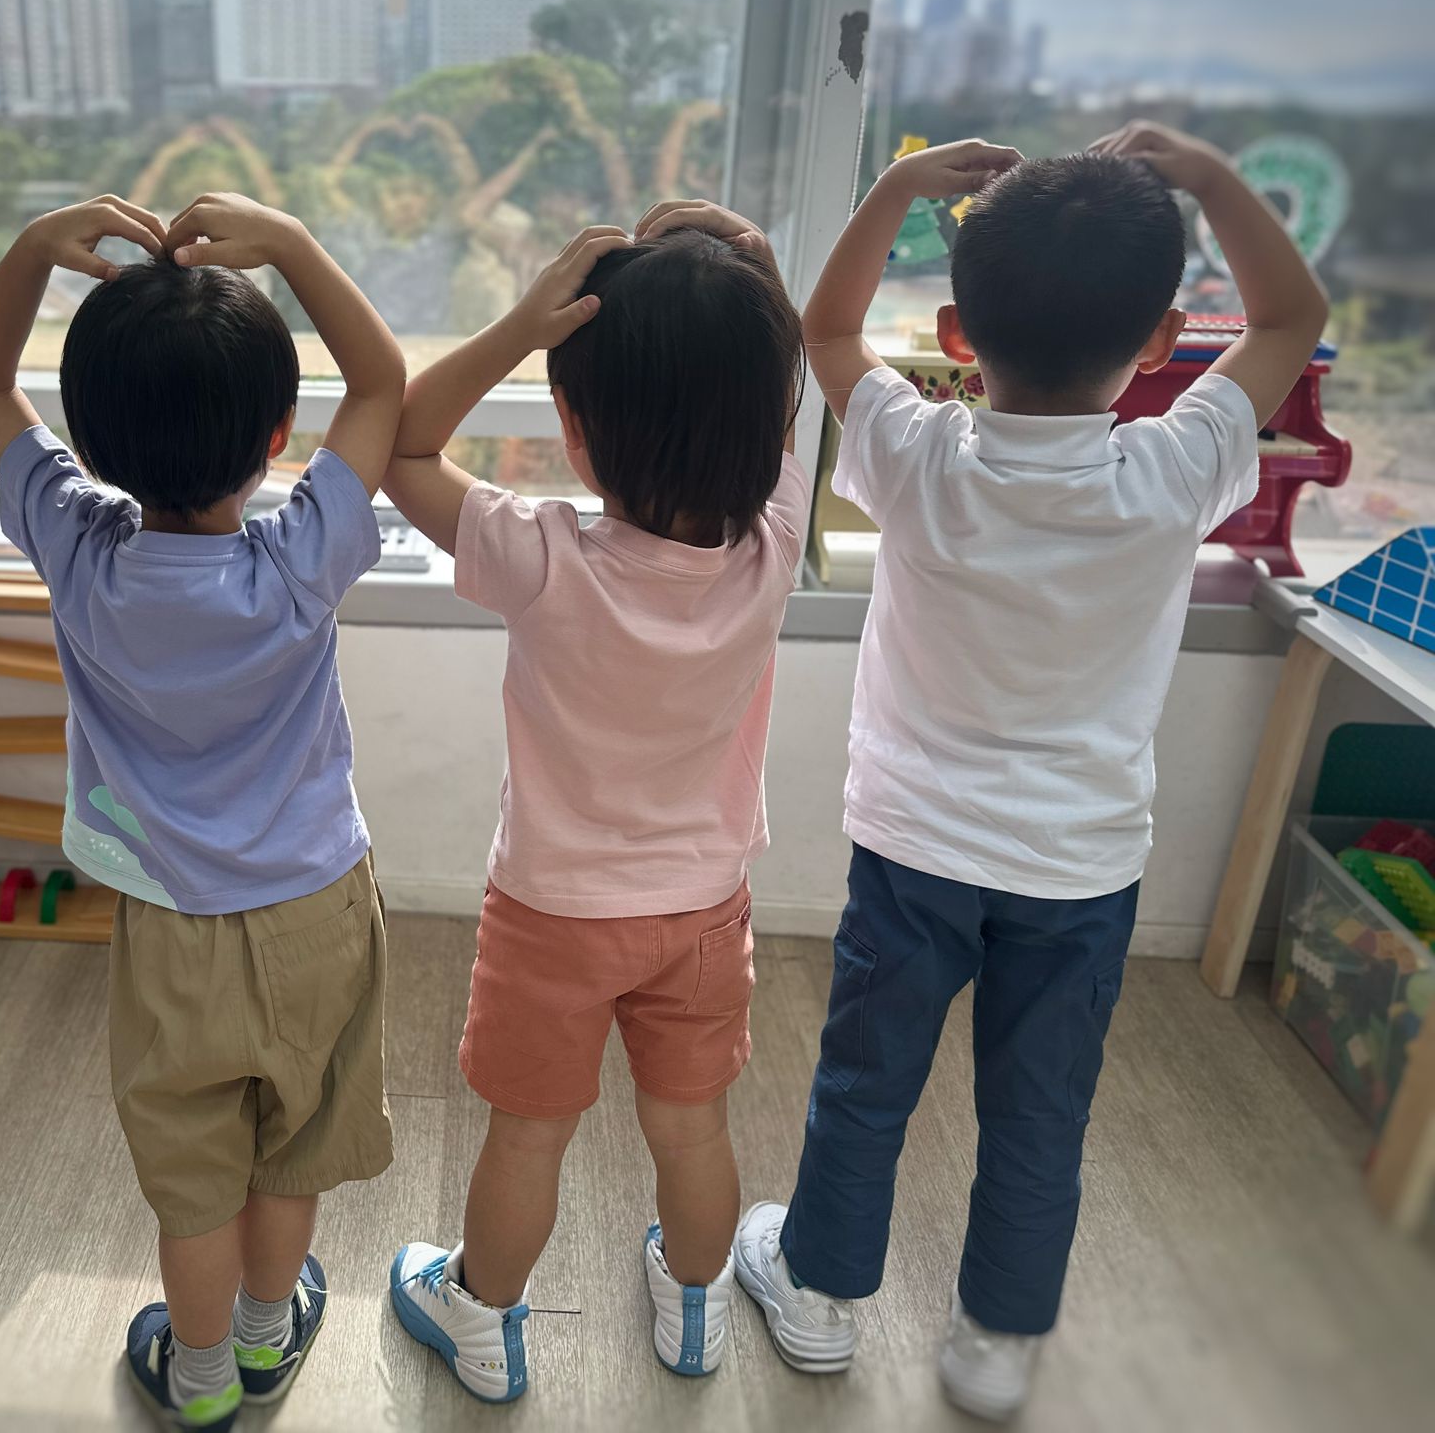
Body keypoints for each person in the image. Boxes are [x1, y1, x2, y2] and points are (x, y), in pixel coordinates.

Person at [734, 125, 1330, 1420]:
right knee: (1041, 1113)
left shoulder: (921, 455)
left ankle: (824, 1300)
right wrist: (1212, 181)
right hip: (1082, 870)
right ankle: (997, 1346)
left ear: (956, 334)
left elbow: (824, 336)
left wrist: (891, 185)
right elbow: (1290, 317)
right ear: (1166, 339)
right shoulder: (1175, 470)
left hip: (913, 853)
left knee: (864, 1085)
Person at [0, 192, 404, 1432]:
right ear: (274, 435)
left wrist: (33, 241)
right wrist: (300, 247)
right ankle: (268, 1334)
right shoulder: (300, 558)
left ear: (88, 443)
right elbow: (382, 384)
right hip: (316, 903)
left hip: (164, 923)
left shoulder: (75, 546)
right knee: (289, 1144)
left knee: (194, 1173)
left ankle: (198, 1378)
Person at [381, 210, 810, 1398]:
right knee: (692, 1129)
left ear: (572, 431)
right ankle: (691, 1311)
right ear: (763, 419)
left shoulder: (539, 554)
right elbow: (788, 404)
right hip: (702, 910)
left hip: (552, 916)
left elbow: (400, 447)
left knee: (529, 1136)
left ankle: (479, 1318)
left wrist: (521, 325)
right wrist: (760, 283)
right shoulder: (774, 540)